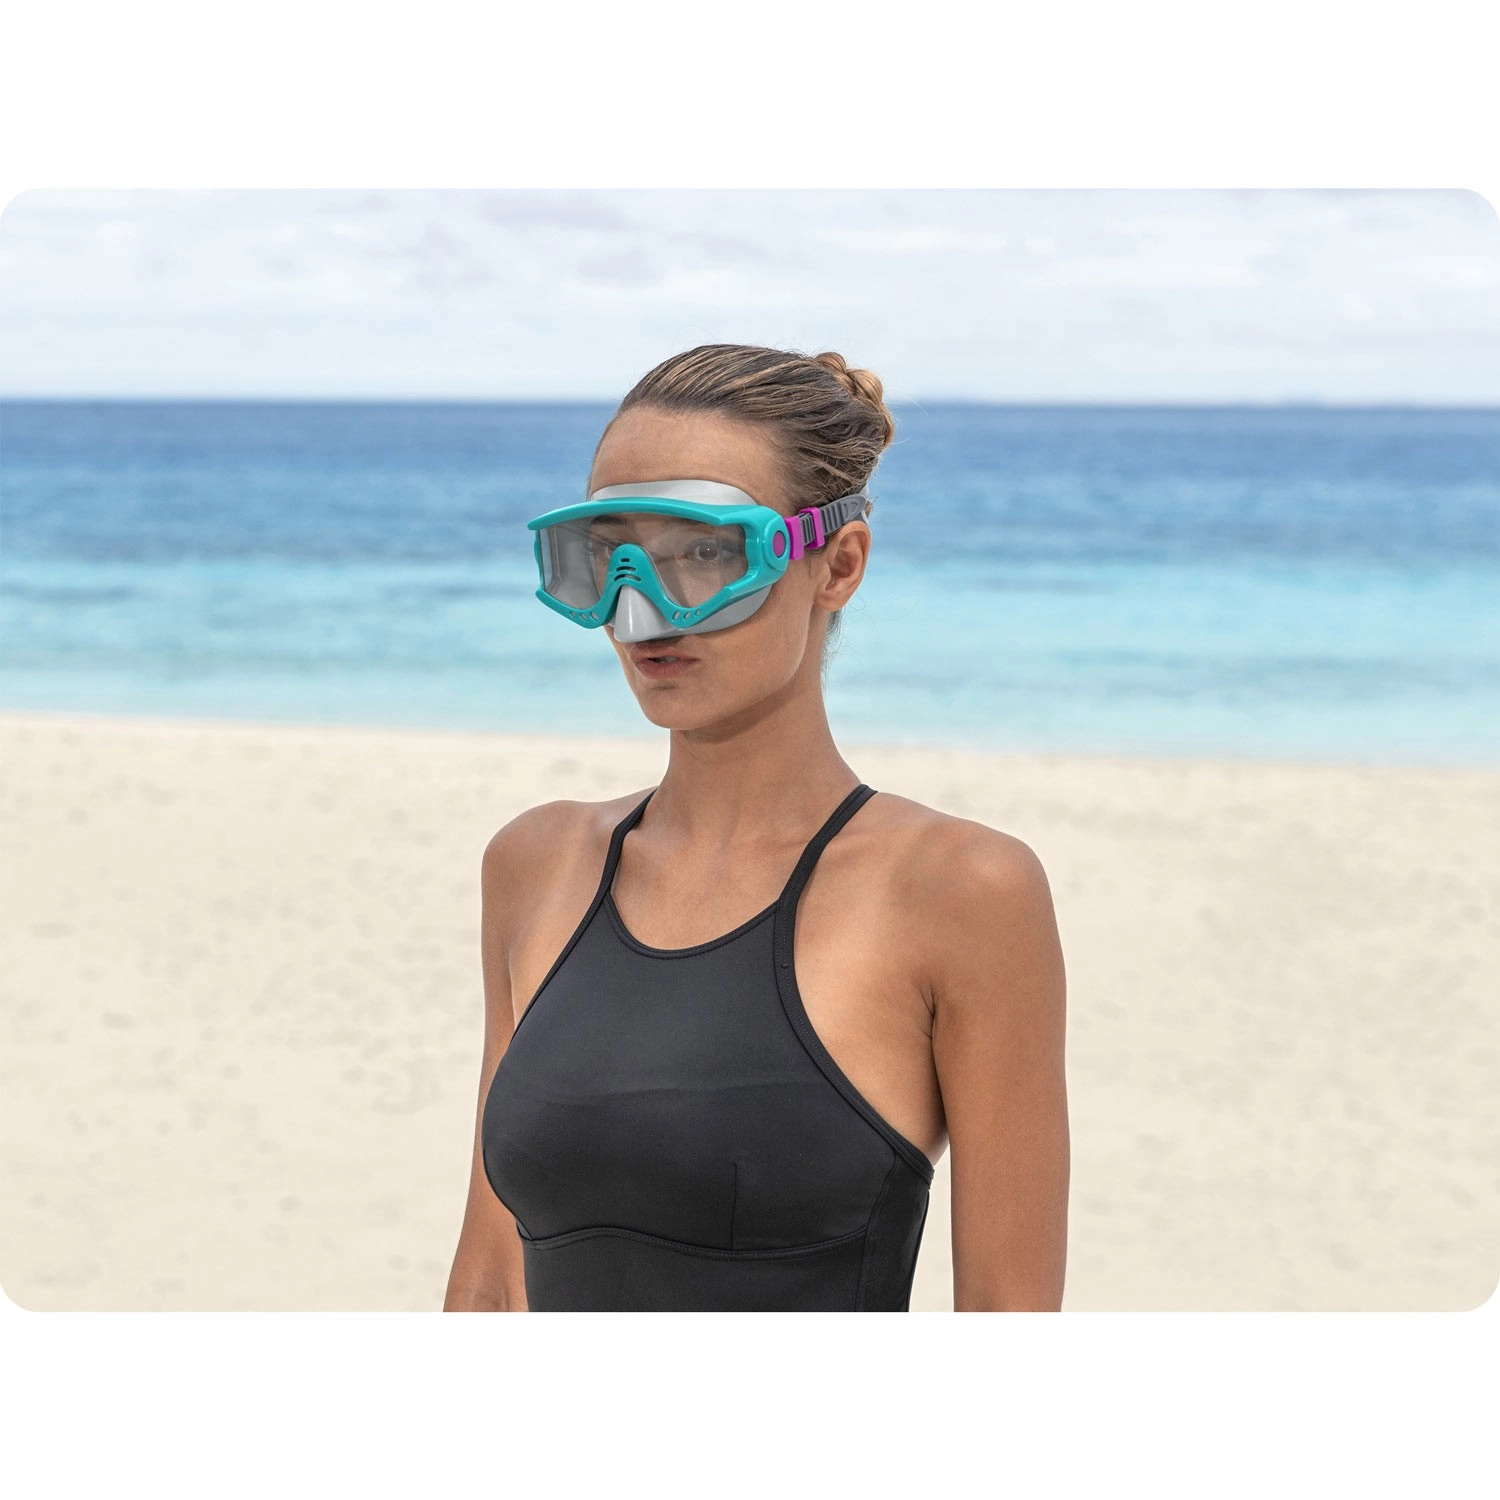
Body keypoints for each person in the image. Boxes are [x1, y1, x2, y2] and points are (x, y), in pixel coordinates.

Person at [444, 343, 1069, 1312]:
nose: (641, 610)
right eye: (607, 555)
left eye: (704, 552)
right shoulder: (535, 864)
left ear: (838, 566)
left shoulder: (960, 891)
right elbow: (490, 1287)